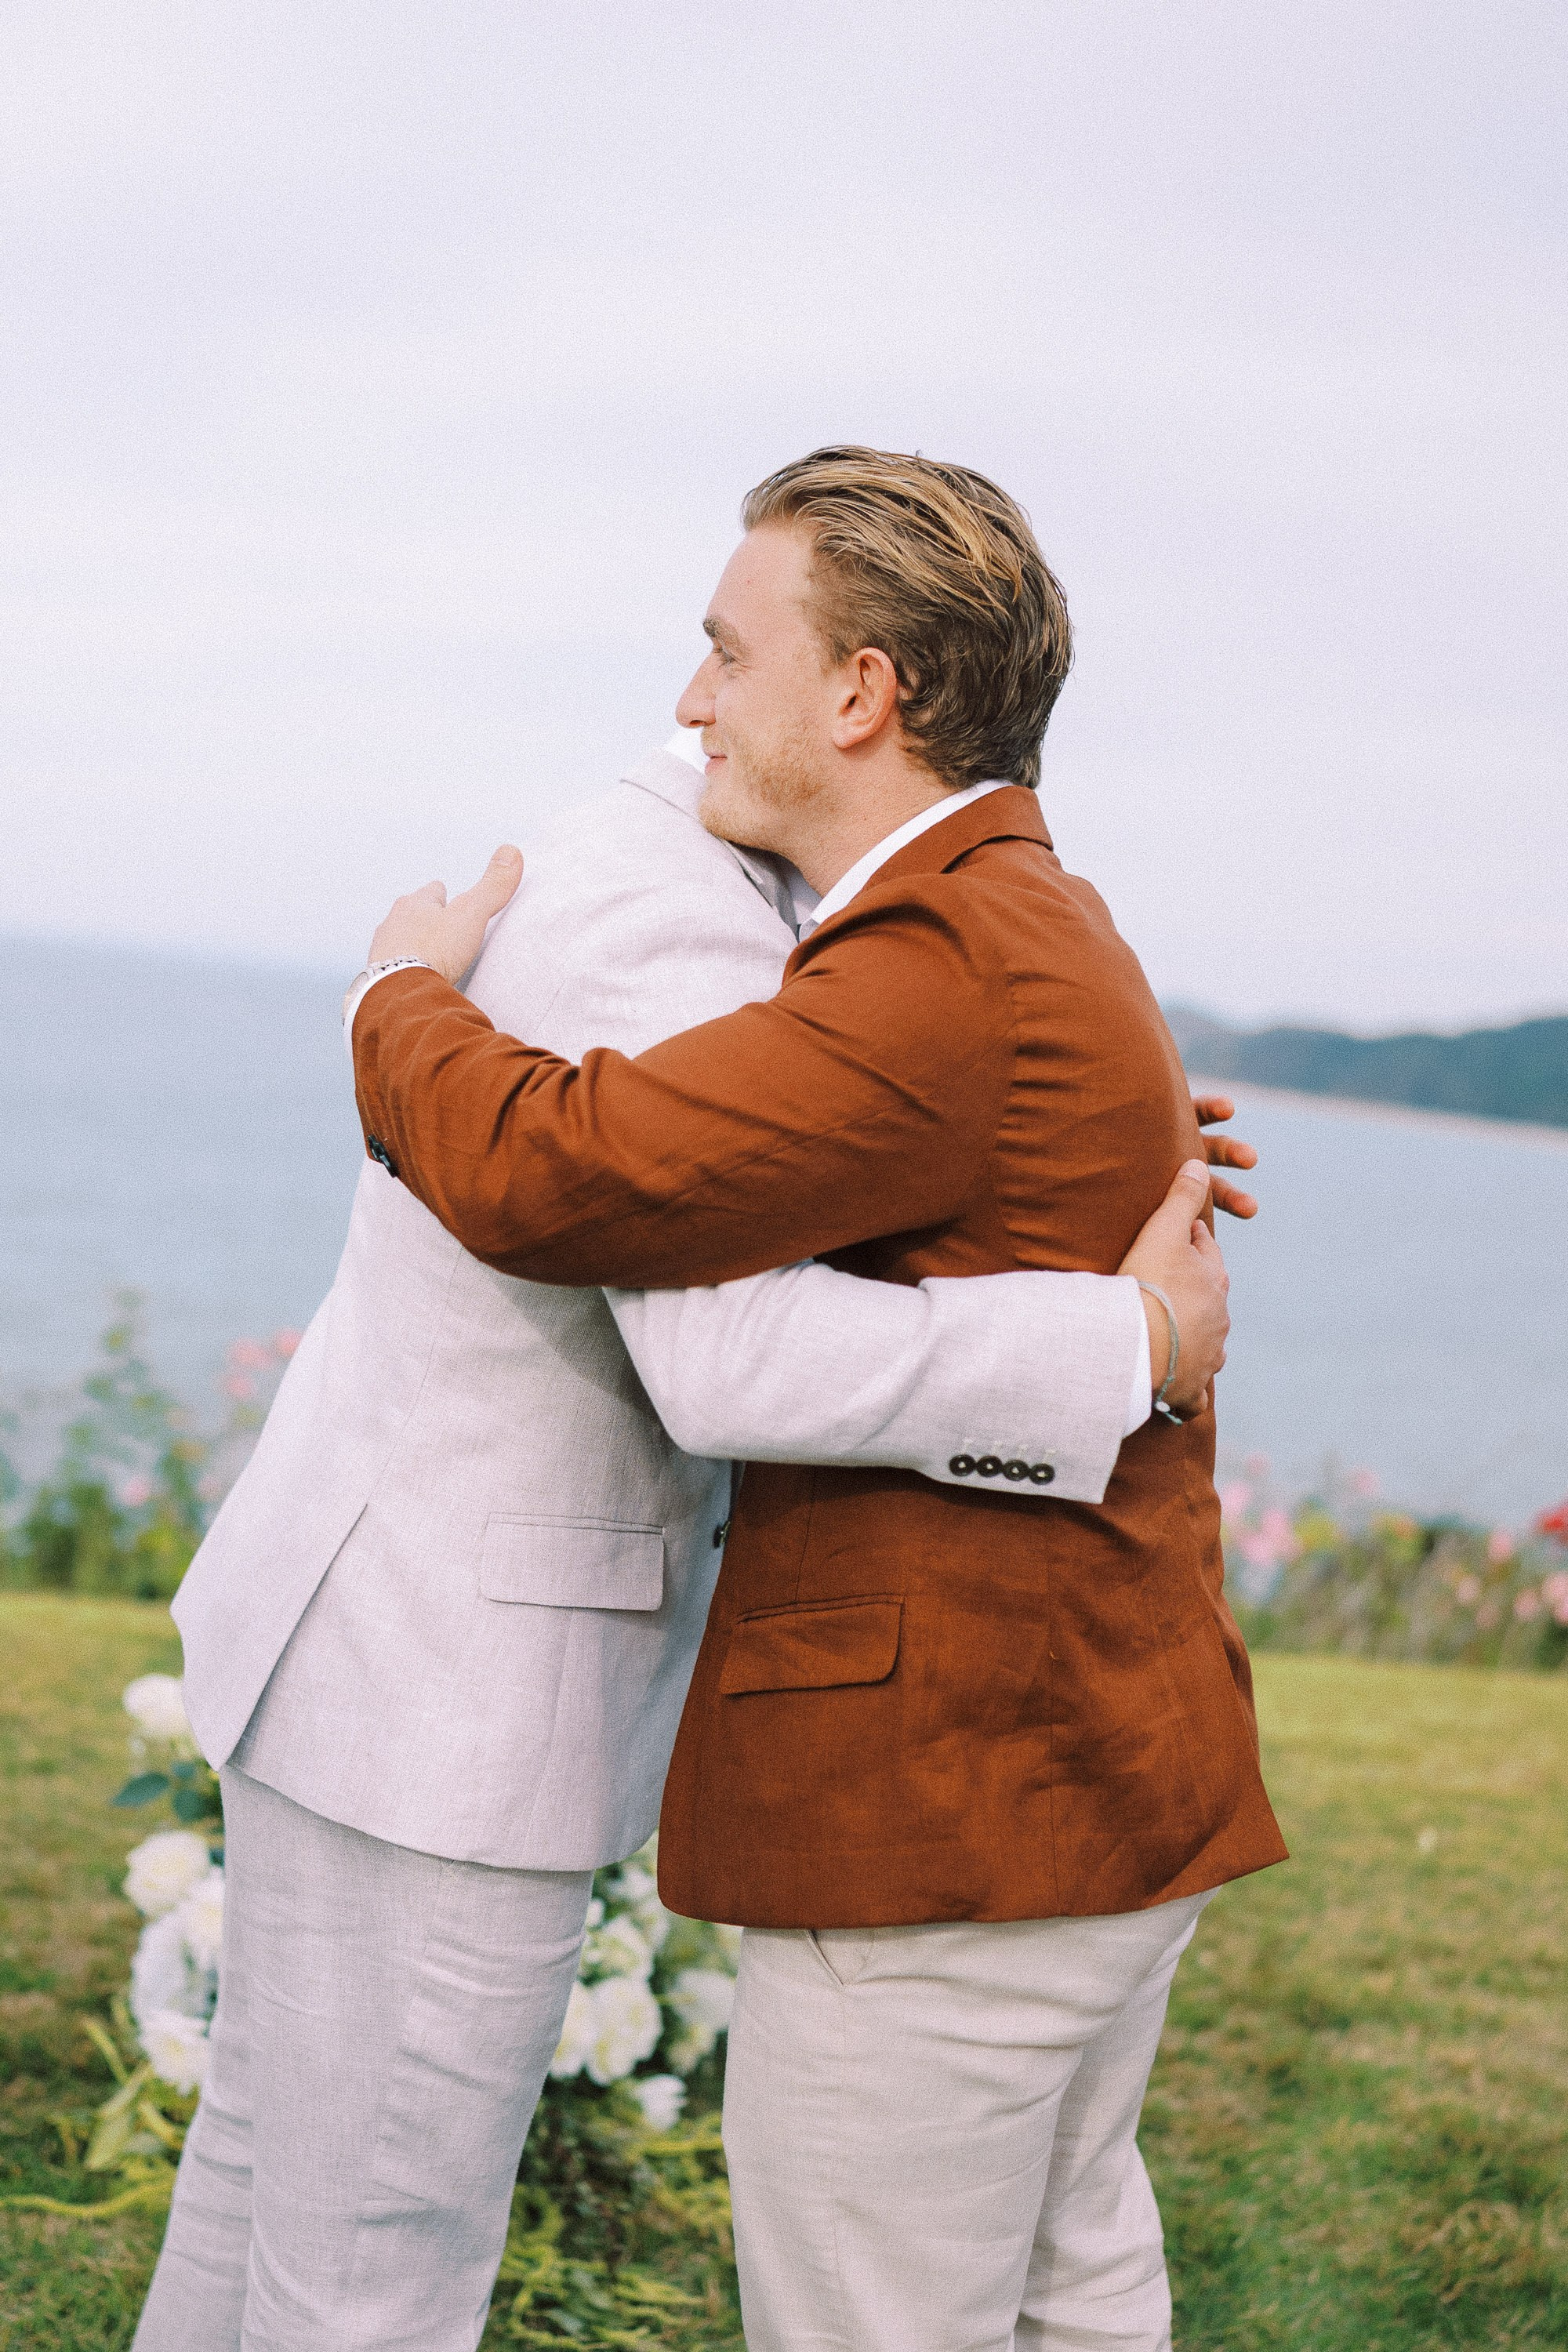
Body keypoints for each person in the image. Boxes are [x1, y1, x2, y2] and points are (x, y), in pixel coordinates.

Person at [138, 727, 1247, 2346]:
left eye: (732, 651)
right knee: (374, 2255)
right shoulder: (676, 919)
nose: (693, 690)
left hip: (388, 1630)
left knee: (271, 2190)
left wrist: (1027, 1124)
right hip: (446, 1682)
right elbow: (718, 1350)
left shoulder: (750, 893)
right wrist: (1127, 1339)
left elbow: (853, 1131)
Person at [348, 445, 1287, 2352]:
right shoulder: (1033, 926)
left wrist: (401, 1009)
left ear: (860, 691)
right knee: (1067, 2293)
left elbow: (566, 1171)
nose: (691, 698)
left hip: (949, 1821)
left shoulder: (940, 960)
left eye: (724, 649)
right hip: (1092, 1795)